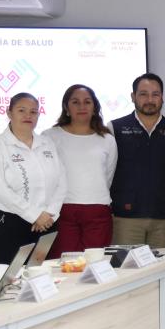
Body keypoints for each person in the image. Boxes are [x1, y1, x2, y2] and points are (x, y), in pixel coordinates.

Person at [0, 92, 65, 264]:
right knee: (12, 282)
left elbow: (62, 182)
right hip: (8, 223)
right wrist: (34, 215)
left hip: (45, 223)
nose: (28, 116)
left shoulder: (46, 143)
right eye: (21, 110)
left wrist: (50, 214)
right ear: (9, 113)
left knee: (39, 278)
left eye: (33, 112)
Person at [110, 73, 165, 249]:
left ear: (162, 97)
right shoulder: (114, 128)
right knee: (126, 272)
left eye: (155, 94)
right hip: (125, 219)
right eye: (143, 94)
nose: (150, 99)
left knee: (163, 271)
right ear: (133, 97)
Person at [44, 84, 118, 254]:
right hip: (62, 212)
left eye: (87, 102)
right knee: (63, 266)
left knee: (95, 266)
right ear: (66, 108)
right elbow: (46, 175)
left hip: (98, 211)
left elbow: (108, 175)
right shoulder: (50, 136)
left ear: (95, 107)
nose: (82, 107)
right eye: (75, 102)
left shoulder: (106, 139)